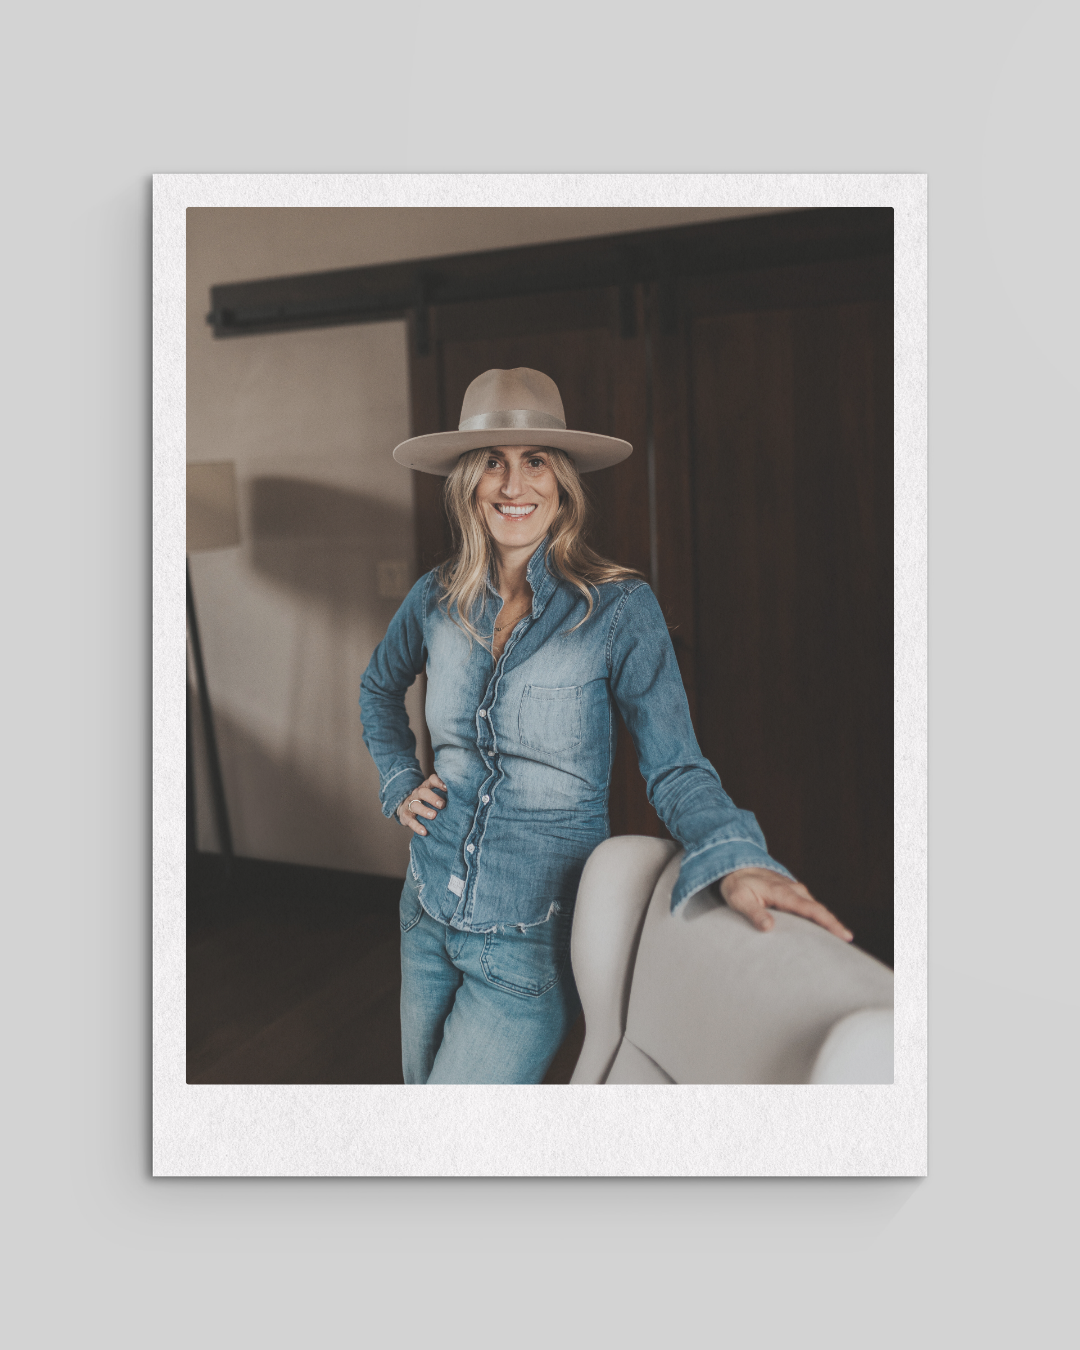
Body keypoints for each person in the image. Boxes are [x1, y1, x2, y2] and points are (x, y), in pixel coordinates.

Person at [360, 367, 852, 1085]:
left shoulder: (618, 609)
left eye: (535, 462)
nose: (512, 484)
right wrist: (400, 778)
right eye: (492, 462)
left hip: (526, 949)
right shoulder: (435, 598)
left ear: (562, 482)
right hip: (424, 911)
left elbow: (676, 765)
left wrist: (737, 855)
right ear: (467, 481)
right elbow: (379, 686)